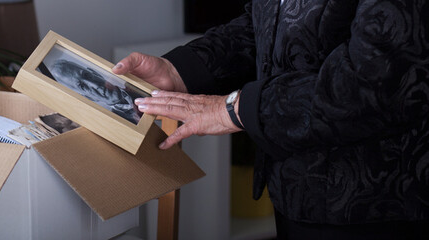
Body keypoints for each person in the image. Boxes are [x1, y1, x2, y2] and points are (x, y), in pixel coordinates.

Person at [112, 0, 429, 239]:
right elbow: (264, 25)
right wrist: (181, 69)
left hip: (378, 205)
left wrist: (237, 107)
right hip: (296, 191)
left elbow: (377, 79)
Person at [50, 59, 143, 124]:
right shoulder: (114, 123)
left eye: (86, 75)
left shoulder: (140, 82)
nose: (95, 85)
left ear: (95, 72)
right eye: (83, 86)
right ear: (86, 97)